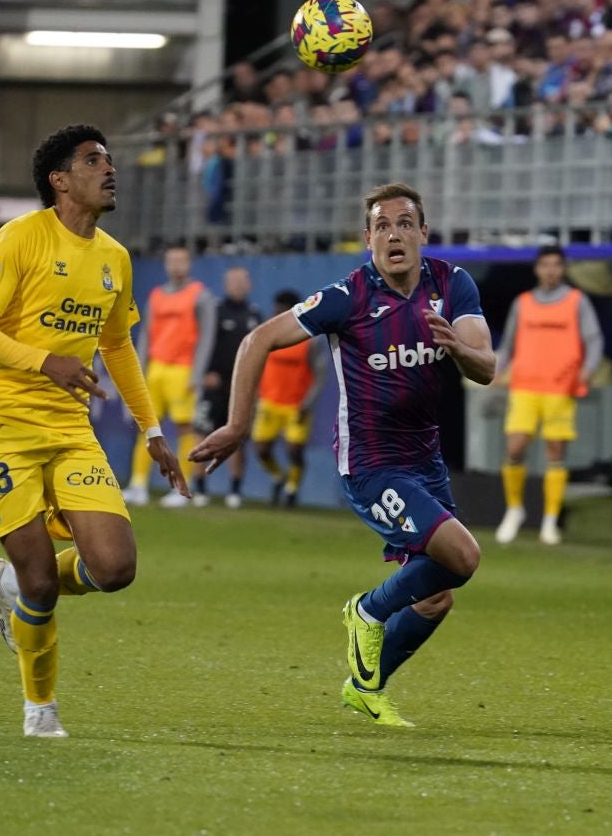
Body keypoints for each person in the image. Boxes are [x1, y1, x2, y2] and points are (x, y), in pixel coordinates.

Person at [191, 182, 496, 727]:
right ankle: (368, 610)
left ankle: (363, 687)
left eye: (405, 223)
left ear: (424, 233)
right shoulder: (348, 297)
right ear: (367, 238)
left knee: (436, 597)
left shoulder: (452, 283)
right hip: (372, 465)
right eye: (382, 225)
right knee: (464, 557)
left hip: (425, 461)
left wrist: (458, 348)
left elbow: (487, 367)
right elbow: (257, 340)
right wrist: (237, 424)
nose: (394, 235)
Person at [0, 124, 188, 737]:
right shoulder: (20, 237)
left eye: (108, 160)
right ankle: (41, 708)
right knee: (41, 581)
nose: (109, 169)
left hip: (67, 427)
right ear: (59, 180)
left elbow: (118, 346)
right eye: (92, 161)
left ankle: (11, 584)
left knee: (114, 567)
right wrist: (45, 362)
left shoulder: (115, 258)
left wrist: (152, 429)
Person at [494, 245, 603, 546]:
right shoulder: (523, 303)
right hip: (525, 386)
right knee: (515, 446)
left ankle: (550, 520)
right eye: (546, 264)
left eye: (556, 264)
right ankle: (514, 509)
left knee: (556, 451)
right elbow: (509, 344)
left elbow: (594, 339)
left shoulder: (577, 301)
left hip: (560, 387)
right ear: (537, 269)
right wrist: (496, 370)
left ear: (563, 268)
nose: (551, 270)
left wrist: (588, 369)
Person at [122, 244, 216, 508]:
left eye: (181, 261)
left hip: (183, 370)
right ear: (165, 265)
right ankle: (138, 484)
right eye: (171, 261)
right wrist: (140, 369)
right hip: (156, 369)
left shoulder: (200, 296)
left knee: (185, 428)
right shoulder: (156, 296)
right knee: (148, 427)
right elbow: (146, 334)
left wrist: (197, 373)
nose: (176, 266)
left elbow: (207, 337)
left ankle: (181, 488)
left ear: (189, 264)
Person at [251, 290, 329, 507]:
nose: (276, 313)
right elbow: (256, 366)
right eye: (275, 309)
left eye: (281, 310)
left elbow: (320, 374)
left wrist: (308, 403)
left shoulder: (309, 340)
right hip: (269, 402)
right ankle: (278, 476)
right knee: (261, 449)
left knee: (294, 450)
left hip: (297, 405)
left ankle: (291, 489)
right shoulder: (267, 333)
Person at [192, 266, 261, 507]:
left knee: (237, 436)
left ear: (249, 285)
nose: (239, 285)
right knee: (202, 433)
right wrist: (205, 372)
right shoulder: (215, 312)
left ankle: (235, 491)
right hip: (215, 383)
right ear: (226, 285)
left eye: (243, 281)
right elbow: (201, 343)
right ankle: (199, 489)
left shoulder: (255, 315)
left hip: (241, 386)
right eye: (234, 281)